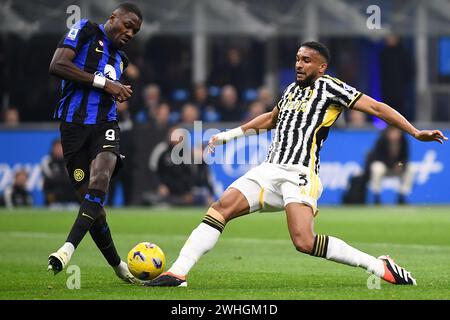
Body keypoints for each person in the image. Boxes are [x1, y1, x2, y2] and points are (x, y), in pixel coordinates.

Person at [143, 41, 447, 287]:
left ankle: (378, 266)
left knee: (303, 241)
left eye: (305, 60)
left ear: (321, 66)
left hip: (299, 174)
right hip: (268, 169)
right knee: (220, 208)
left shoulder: (332, 88)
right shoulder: (290, 91)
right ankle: (178, 273)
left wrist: (414, 132)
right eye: (297, 59)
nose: (298, 64)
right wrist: (230, 135)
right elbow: (272, 119)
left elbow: (377, 108)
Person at [47, 3, 142, 282]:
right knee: (93, 208)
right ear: (113, 17)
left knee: (101, 179)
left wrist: (119, 91)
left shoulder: (121, 58)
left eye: (135, 31)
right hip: (74, 129)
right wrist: (105, 84)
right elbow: (57, 66)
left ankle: (66, 249)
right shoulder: (85, 30)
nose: (130, 33)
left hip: (105, 126)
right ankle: (118, 266)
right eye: (127, 25)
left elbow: (109, 90)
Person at [368, 126, 415, 205]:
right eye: (392, 132)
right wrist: (392, 164)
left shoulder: (403, 141)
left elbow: (405, 159)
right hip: (385, 167)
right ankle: (377, 196)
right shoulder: (381, 140)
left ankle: (402, 196)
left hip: (398, 168)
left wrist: (400, 165)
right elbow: (378, 157)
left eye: (396, 132)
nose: (394, 134)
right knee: (377, 167)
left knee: (411, 168)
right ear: (388, 133)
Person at [41, 139, 78, 206]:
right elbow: (49, 178)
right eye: (56, 148)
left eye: (60, 147)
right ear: (52, 149)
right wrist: (64, 178)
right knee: (49, 185)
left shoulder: (70, 160)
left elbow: (74, 177)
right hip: (54, 194)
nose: (59, 150)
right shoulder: (47, 161)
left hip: (70, 195)